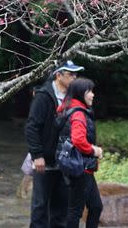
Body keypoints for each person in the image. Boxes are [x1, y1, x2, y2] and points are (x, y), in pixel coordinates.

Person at [25, 60, 85, 228]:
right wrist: (37, 155)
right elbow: (31, 128)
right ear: (58, 75)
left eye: (76, 74)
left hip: (65, 162)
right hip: (45, 160)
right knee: (40, 206)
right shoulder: (43, 96)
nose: (74, 77)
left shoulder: (73, 97)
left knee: (61, 209)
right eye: (70, 74)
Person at [56, 77, 104, 228]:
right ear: (80, 93)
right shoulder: (78, 114)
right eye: (90, 91)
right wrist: (94, 151)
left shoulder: (68, 108)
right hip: (80, 169)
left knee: (96, 206)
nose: (93, 95)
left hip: (81, 168)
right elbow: (78, 140)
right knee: (75, 211)